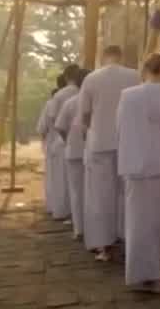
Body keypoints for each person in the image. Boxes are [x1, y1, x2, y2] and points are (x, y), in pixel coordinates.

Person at [116, 53, 160, 293]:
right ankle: (155, 272)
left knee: (137, 221)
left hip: (136, 163)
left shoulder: (129, 96)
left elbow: (120, 129)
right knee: (159, 220)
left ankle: (138, 275)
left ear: (145, 69)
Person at [77, 45, 141, 261]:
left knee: (101, 197)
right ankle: (127, 241)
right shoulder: (135, 76)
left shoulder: (92, 79)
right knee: (127, 195)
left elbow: (84, 115)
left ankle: (106, 246)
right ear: (121, 57)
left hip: (100, 143)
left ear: (103, 57)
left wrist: (90, 132)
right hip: (127, 142)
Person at [55, 66, 89, 240]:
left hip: (73, 151)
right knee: (91, 192)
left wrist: (68, 139)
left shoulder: (71, 103)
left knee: (76, 192)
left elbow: (59, 126)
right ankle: (93, 229)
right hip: (91, 152)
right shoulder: (94, 101)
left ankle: (79, 229)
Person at [39, 72, 76, 222]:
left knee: (57, 181)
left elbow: (44, 127)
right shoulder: (80, 93)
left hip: (56, 143)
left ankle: (59, 210)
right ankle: (73, 214)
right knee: (72, 183)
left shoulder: (54, 99)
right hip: (75, 143)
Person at [36, 76, 66, 216]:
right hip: (69, 144)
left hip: (54, 145)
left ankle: (55, 209)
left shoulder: (50, 103)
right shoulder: (75, 97)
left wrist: (44, 144)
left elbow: (41, 128)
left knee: (54, 180)